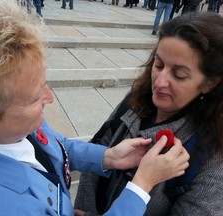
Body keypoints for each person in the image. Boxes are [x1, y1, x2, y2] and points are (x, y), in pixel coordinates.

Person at [0, 0, 190, 215]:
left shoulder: (8, 126)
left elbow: (55, 145)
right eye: (35, 98)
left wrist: (108, 157)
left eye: (45, 84)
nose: (49, 98)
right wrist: (142, 184)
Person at [75, 12, 223, 216]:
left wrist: (144, 182)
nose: (159, 82)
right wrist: (84, 208)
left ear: (210, 82)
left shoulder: (212, 154)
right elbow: (100, 145)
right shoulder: (136, 100)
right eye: (159, 64)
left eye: (179, 75)